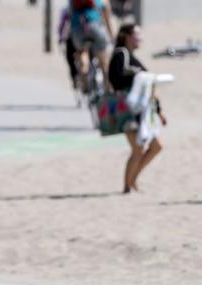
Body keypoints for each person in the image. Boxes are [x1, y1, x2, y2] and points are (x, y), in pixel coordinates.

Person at [108, 24, 167, 194]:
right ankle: (127, 187)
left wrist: (159, 110)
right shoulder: (121, 54)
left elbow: (148, 87)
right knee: (137, 149)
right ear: (127, 36)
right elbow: (116, 78)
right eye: (137, 34)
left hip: (144, 111)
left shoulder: (130, 56)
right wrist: (139, 75)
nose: (140, 38)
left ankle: (133, 180)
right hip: (128, 110)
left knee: (156, 146)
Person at [70, 0, 114, 93]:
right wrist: (111, 34)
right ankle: (107, 87)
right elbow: (106, 10)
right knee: (104, 61)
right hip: (95, 27)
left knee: (81, 51)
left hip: (78, 28)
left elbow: (70, 13)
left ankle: (84, 76)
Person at [58, 6, 79, 98]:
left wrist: (61, 38)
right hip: (89, 37)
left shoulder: (67, 9)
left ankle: (75, 77)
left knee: (70, 59)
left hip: (72, 38)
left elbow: (62, 25)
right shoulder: (93, 6)